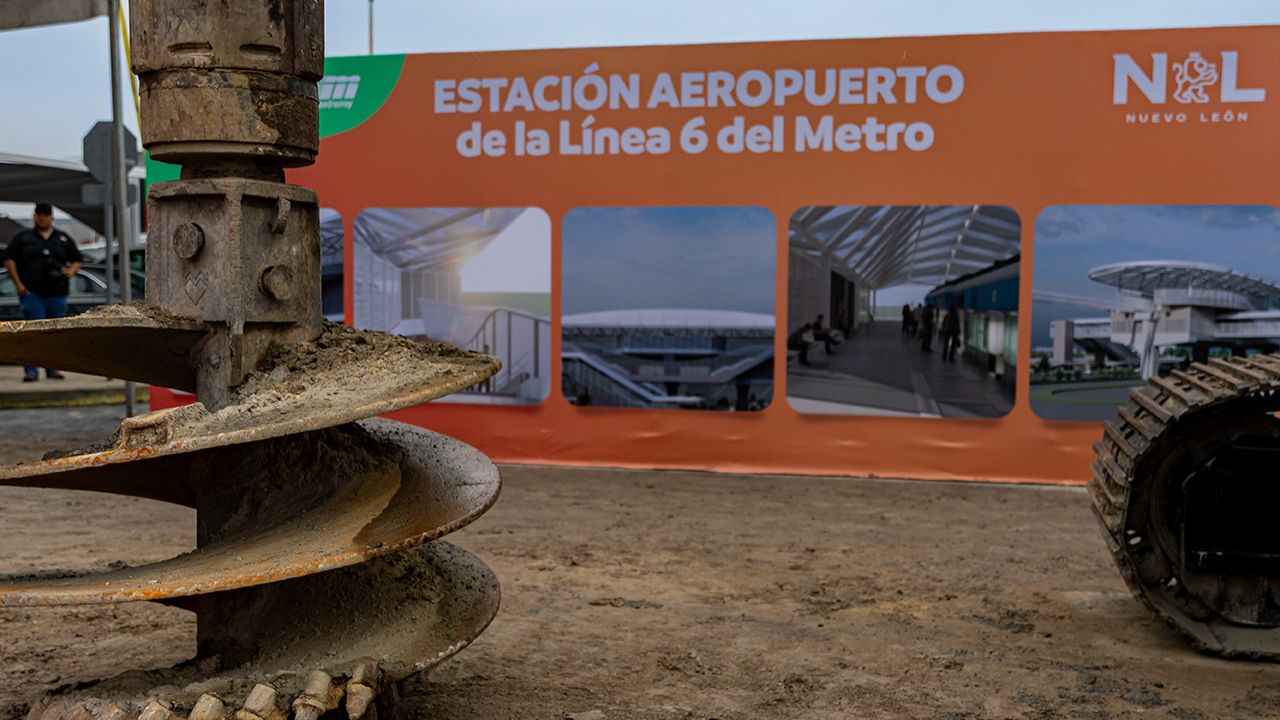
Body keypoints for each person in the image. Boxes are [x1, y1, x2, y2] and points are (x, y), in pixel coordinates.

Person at [3, 202, 82, 382]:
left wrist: (70, 271)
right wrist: (18, 284)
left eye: (46, 214)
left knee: (54, 334)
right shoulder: (22, 238)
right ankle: (31, 370)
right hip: (32, 293)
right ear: (34, 216)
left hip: (57, 293)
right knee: (32, 333)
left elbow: (77, 259)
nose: (43, 217)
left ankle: (52, 368)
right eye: (39, 214)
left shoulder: (62, 238)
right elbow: (8, 259)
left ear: (51, 217)